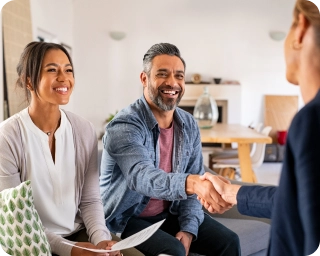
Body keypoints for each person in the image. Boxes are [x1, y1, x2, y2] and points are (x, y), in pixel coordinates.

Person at [199, 0, 320, 255]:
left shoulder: (312, 120)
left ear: (300, 28)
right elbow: (295, 204)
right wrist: (232, 192)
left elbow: (292, 234)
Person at [100, 42, 240, 256]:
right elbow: (141, 176)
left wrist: (188, 228)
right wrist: (191, 182)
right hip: (126, 219)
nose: (172, 83)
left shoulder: (189, 124)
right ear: (144, 78)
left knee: (229, 241)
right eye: (162, 74)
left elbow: (193, 190)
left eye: (179, 76)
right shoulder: (125, 125)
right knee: (172, 249)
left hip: (169, 214)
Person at [0, 42, 122, 256]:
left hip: (78, 232)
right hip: (29, 241)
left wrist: (101, 240)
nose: (64, 78)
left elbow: (90, 199)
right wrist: (71, 251)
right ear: (29, 80)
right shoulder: (7, 136)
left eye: (68, 70)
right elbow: (17, 218)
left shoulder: (83, 130)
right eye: (52, 70)